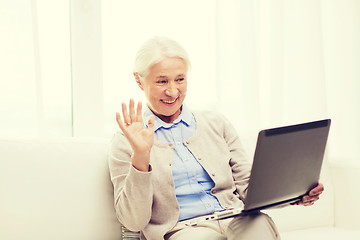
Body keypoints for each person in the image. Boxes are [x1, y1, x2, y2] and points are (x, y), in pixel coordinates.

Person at [108, 36, 324, 240]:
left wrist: (295, 195)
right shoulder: (124, 142)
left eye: (180, 79)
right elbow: (133, 221)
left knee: (259, 225)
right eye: (162, 81)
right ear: (139, 81)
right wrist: (141, 156)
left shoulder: (217, 123)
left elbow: (249, 190)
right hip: (184, 230)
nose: (173, 91)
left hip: (234, 219)